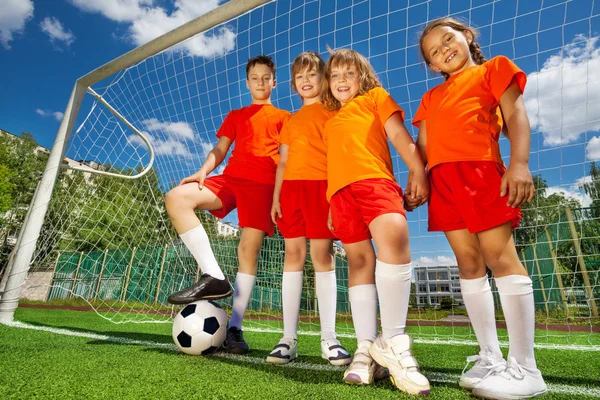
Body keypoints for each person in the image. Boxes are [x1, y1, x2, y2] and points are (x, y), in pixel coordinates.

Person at [412, 17, 547, 399]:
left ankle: (526, 367)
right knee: (468, 264)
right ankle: (490, 356)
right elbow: (422, 147)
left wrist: (519, 164)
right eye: (434, 52)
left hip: (480, 172)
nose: (444, 50)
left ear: (467, 37)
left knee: (499, 258)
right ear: (433, 66)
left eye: (448, 40)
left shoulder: (494, 68)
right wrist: (418, 178)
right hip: (443, 182)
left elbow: (517, 115)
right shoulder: (430, 98)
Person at [321, 48, 430, 395]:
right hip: (340, 196)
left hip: (375, 182)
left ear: (362, 77)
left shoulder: (375, 98)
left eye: (348, 74)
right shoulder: (330, 121)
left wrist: (417, 170)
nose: (341, 81)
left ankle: (394, 341)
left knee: (394, 242)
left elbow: (399, 136)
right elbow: (333, 163)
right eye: (335, 75)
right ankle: (366, 349)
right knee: (359, 261)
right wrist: (329, 200)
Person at [164, 55, 290, 354]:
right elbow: (220, 148)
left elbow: (287, 159)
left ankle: (234, 328)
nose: (260, 82)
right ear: (247, 83)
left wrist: (280, 195)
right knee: (176, 198)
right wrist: (203, 171)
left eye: (266, 77)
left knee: (247, 250)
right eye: (254, 78)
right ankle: (215, 276)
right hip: (230, 180)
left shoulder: (285, 118)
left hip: (263, 186)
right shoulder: (236, 115)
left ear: (274, 82)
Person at [265, 52, 351, 366]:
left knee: (322, 256)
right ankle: (288, 339)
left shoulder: (333, 112)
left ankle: (330, 338)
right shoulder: (290, 121)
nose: (305, 80)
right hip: (290, 191)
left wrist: (335, 194)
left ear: (323, 78)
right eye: (300, 76)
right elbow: (283, 162)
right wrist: (276, 197)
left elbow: (338, 156)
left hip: (321, 187)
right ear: (293, 83)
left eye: (312, 75)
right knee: (292, 256)